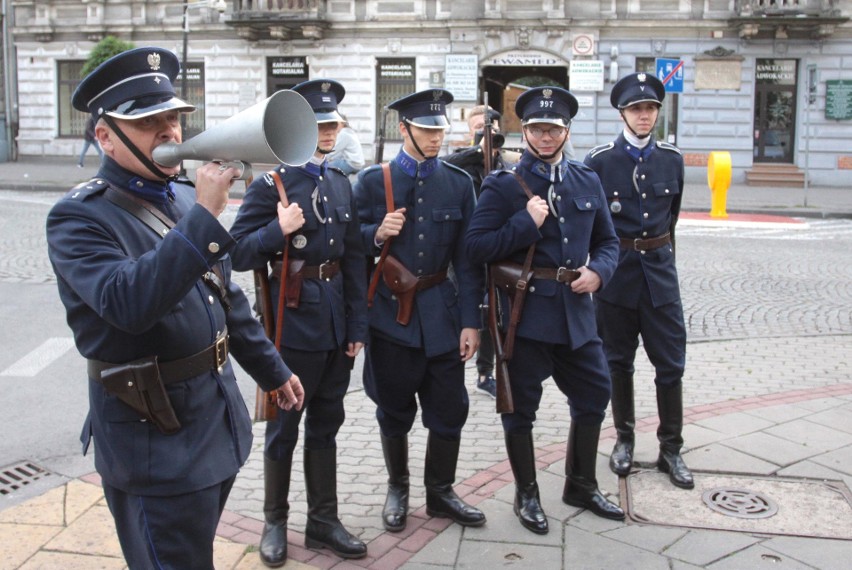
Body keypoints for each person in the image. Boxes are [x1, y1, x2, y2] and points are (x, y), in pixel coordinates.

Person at [45, 47, 305, 570]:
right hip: (154, 437)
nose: (169, 132)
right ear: (105, 137)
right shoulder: (78, 218)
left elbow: (225, 297)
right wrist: (205, 219)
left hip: (213, 423)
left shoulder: (182, 197)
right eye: (147, 122)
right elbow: (128, 303)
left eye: (172, 118)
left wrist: (271, 370)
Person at [465, 86, 623, 535]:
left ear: (566, 130)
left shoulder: (586, 179)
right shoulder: (502, 183)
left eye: (553, 129)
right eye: (537, 128)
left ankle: (580, 484)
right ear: (525, 131)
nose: (546, 137)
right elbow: (476, 247)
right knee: (520, 410)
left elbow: (607, 242)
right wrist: (523, 223)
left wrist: (601, 272)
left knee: (595, 394)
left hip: (576, 314)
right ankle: (527, 493)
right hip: (525, 316)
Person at [229, 79, 368, 566]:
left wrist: (356, 328)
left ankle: (323, 522)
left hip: (333, 326)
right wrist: (276, 229)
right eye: (319, 124)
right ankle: (274, 521)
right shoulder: (272, 185)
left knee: (327, 424)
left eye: (333, 123)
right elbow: (236, 253)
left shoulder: (338, 182)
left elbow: (353, 262)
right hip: (293, 327)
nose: (329, 131)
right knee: (284, 428)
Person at [353, 88, 486, 534]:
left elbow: (467, 261)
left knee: (450, 408)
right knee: (393, 410)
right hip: (390, 317)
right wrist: (375, 232)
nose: (435, 138)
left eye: (440, 129)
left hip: (442, 316)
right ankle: (398, 488)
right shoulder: (375, 181)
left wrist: (472, 321)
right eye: (427, 129)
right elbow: (347, 248)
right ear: (404, 128)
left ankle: (441, 492)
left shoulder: (458, 181)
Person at [584, 72, 693, 489]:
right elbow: (595, 226)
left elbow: (673, 218)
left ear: (657, 112)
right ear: (622, 113)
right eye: (635, 109)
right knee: (617, 363)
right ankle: (624, 439)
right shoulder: (600, 161)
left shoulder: (672, 159)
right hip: (617, 276)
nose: (643, 116)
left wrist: (663, 259)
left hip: (660, 277)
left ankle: (671, 449)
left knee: (670, 364)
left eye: (649, 109)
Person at [441, 105, 508, 399]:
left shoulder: (503, 163)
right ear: (470, 130)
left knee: (492, 310)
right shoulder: (461, 161)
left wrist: (493, 155)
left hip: (494, 247)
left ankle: (486, 372)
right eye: (479, 126)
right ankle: (451, 362)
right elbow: (446, 164)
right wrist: (479, 151)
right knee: (460, 307)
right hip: (462, 249)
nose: (485, 131)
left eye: (490, 127)